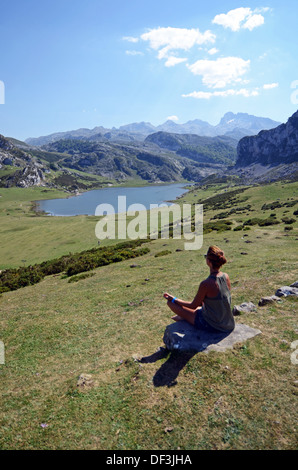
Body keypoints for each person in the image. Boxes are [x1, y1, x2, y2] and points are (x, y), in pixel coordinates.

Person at [163, 245, 235, 333]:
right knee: (198, 308)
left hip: (214, 325)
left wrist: (174, 299)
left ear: (208, 261)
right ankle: (183, 317)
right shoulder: (225, 276)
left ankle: (183, 317)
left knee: (171, 303)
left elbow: (193, 305)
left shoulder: (206, 283)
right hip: (228, 323)